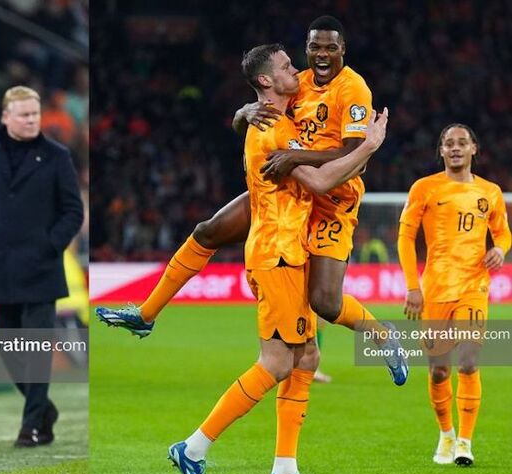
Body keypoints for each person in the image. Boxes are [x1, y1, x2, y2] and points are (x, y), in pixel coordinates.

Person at [96, 15, 408, 385]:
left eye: (330, 47)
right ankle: (146, 314)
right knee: (208, 231)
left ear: (343, 50)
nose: (321, 55)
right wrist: (242, 113)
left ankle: (383, 335)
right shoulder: (298, 83)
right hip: (290, 186)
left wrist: (297, 156)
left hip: (333, 198)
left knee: (324, 301)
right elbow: (259, 115)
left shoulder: (353, 89)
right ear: (306, 48)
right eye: (314, 47)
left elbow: (353, 150)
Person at [168, 43, 389, 474]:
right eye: (291, 63)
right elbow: (325, 179)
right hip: (277, 252)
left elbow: (270, 125)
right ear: (268, 81)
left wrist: (243, 112)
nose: (301, 68)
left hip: (290, 248)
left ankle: (285, 472)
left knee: (307, 356)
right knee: (276, 362)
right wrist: (369, 145)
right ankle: (193, 447)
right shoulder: (274, 127)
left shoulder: (280, 111)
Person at [0, 86, 84, 447]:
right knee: (10, 353)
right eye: (24, 114)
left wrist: (50, 244)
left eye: (35, 114)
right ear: (6, 116)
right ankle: (43, 409)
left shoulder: (57, 156)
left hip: (41, 270)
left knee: (36, 349)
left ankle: (30, 426)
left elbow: (72, 210)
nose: (31, 120)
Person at [398, 124, 511, 467]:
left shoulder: (490, 192)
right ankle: (446, 434)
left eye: (463, 143)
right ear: (442, 151)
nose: (456, 148)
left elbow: (503, 234)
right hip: (434, 290)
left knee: (469, 361)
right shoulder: (425, 188)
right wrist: (412, 287)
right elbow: (405, 238)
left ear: (475, 148)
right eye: (449, 143)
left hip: (474, 288)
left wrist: (501, 251)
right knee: (438, 371)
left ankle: (465, 442)